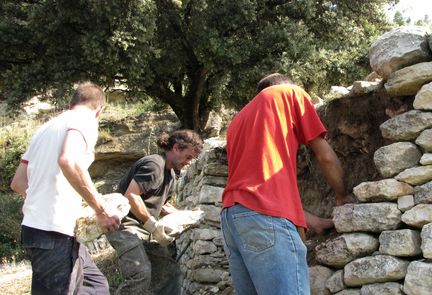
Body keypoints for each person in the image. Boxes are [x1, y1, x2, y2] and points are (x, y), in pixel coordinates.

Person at [220, 73, 353, 295]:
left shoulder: (237, 122)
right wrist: (341, 195)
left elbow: (257, 187)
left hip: (232, 220)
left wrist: (310, 221)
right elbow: (325, 156)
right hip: (264, 220)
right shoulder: (289, 93)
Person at [10, 82, 121, 294]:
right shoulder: (84, 120)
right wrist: (101, 210)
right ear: (100, 109)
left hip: (40, 230)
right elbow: (68, 160)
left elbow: (18, 183)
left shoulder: (44, 129)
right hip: (53, 232)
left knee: (95, 288)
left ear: (72, 102)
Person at [106, 129, 203, 295]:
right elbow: (131, 195)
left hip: (142, 230)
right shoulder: (154, 164)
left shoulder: (171, 176)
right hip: (123, 225)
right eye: (188, 157)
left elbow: (161, 206)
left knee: (169, 273)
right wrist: (152, 225)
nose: (188, 162)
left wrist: (186, 217)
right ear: (176, 148)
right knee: (140, 273)